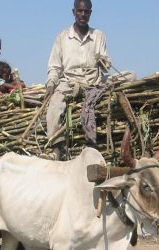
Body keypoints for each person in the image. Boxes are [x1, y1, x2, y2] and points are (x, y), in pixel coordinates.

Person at [44, 0, 111, 160]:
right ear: (73, 12)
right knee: (54, 106)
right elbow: (54, 67)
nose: (83, 14)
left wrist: (104, 61)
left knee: (131, 75)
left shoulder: (98, 36)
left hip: (93, 80)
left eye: (86, 12)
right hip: (69, 81)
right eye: (80, 11)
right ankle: (56, 146)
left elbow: (106, 65)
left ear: (90, 13)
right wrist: (51, 84)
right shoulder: (62, 37)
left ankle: (92, 141)